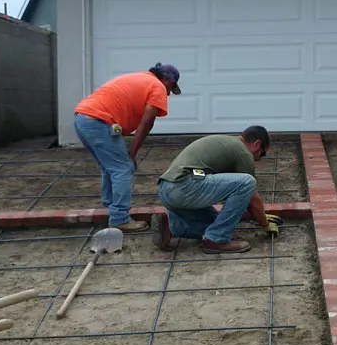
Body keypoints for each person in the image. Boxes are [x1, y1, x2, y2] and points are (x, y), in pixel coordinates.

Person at [73, 63, 181, 232]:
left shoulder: (138, 78)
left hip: (82, 118)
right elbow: (147, 122)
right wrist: (132, 153)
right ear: (166, 79)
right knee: (123, 168)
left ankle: (112, 206)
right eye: (170, 88)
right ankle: (119, 218)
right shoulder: (157, 86)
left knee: (110, 166)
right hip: (99, 121)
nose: (167, 93)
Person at [150, 125, 283, 254]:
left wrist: (251, 216)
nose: (259, 159)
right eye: (262, 153)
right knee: (247, 182)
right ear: (256, 143)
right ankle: (216, 240)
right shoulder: (243, 152)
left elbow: (234, 201)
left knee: (217, 223)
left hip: (167, 189)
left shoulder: (226, 144)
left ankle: (171, 225)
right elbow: (252, 199)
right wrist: (264, 223)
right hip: (184, 187)